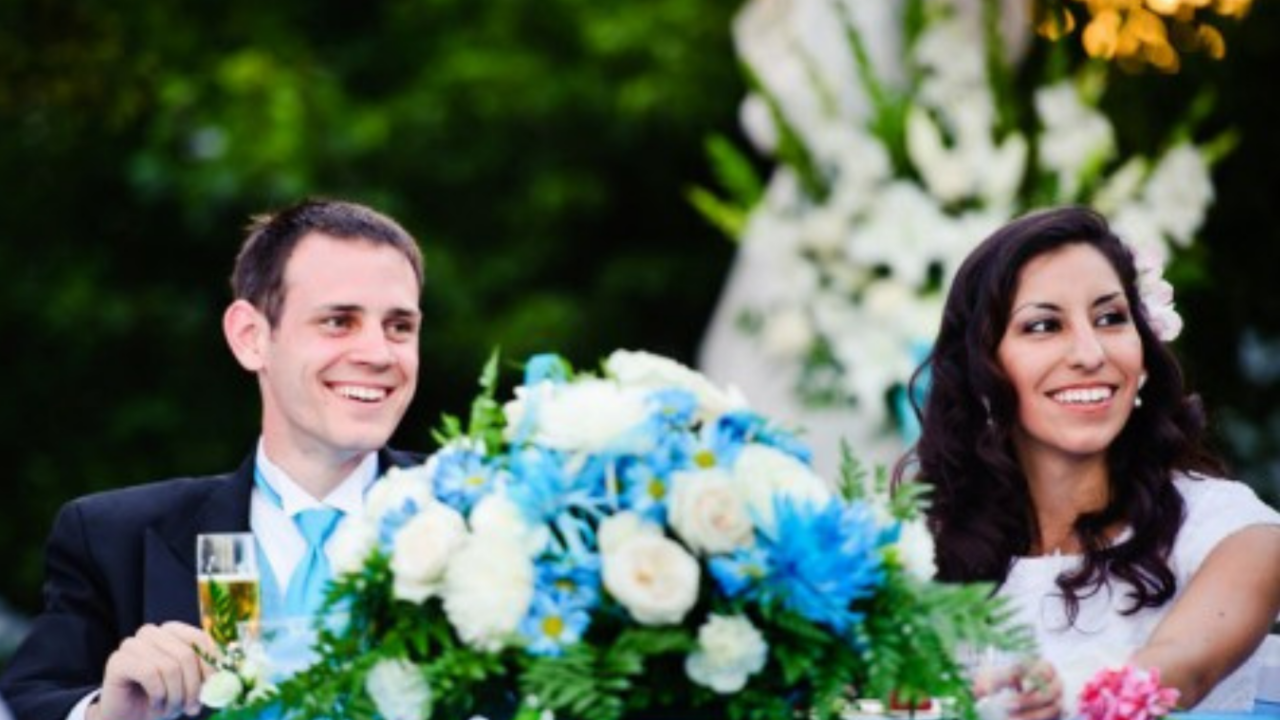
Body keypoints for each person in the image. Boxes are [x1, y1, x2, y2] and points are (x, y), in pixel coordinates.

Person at [0, 199, 427, 720]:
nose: (379, 354)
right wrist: (108, 714)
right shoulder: (113, 538)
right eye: (339, 321)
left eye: (400, 327)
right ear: (251, 338)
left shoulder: (493, 521)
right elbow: (28, 702)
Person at [896, 206, 1280, 716]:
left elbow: (1183, 668)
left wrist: (1070, 695)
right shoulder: (919, 549)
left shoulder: (1235, 533)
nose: (1089, 352)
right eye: (1043, 325)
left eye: (1110, 318)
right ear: (982, 366)